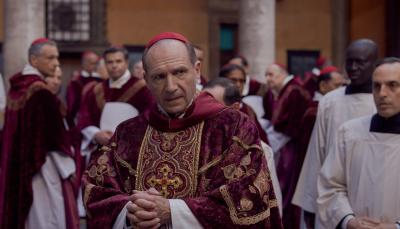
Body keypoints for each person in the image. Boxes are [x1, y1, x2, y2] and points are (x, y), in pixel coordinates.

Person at [82, 32, 282, 228]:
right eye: (159, 76)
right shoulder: (128, 133)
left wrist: (173, 211)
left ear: (196, 70)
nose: (170, 87)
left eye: (179, 72)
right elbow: (96, 189)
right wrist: (130, 211)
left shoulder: (233, 127)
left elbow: (249, 197)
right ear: (146, 80)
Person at [292, 39, 378, 229]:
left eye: (360, 62)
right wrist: (310, 205)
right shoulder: (330, 102)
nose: (353, 67)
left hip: (374, 199)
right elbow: (317, 154)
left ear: (374, 64)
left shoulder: (382, 102)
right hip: (332, 200)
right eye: (349, 61)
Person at [0, 38, 79, 229]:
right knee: (47, 217)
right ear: (34, 60)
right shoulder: (41, 93)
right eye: (51, 58)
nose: (56, 63)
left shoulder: (17, 89)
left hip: (18, 168)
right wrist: (70, 168)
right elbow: (56, 140)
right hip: (43, 168)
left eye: (57, 58)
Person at [317, 57, 400, 229]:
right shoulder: (350, 132)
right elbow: (331, 187)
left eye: (392, 85)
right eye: (376, 86)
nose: (382, 93)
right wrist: (349, 221)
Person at [203, 77, 282, 215]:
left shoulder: (258, 149)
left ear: (235, 109)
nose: (203, 112)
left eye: (212, 106)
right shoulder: (190, 140)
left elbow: (271, 204)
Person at [263, 63, 311, 229]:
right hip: (279, 145)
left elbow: (294, 125)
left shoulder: (295, 91)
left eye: (271, 75)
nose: (268, 79)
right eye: (266, 75)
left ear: (283, 74)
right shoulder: (274, 92)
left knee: (286, 185)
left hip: (291, 148)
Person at [219, 63, 269, 143]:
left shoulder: (248, 110)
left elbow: (261, 138)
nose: (238, 84)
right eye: (233, 80)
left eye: (242, 81)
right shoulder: (216, 107)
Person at [66, 50, 103, 125]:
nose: (95, 66)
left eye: (96, 63)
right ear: (84, 63)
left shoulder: (100, 80)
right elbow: (72, 103)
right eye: (92, 63)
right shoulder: (76, 81)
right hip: (82, 118)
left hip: (99, 117)